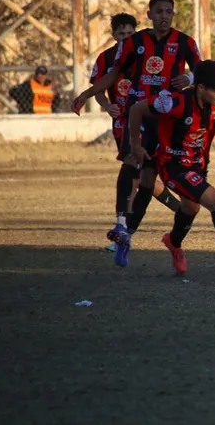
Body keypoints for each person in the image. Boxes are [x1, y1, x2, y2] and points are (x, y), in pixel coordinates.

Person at [72, 0, 199, 266]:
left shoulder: (185, 42)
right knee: (133, 160)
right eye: (159, 11)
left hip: (167, 116)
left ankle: (129, 232)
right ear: (149, 14)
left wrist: (189, 78)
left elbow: (204, 72)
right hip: (139, 112)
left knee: (149, 182)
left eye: (169, 11)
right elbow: (113, 74)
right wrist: (87, 93)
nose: (165, 16)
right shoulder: (134, 42)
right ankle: (121, 224)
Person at [126, 60, 215, 275]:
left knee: (191, 208)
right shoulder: (174, 102)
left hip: (199, 165)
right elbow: (137, 109)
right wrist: (136, 145)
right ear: (201, 88)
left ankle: (173, 242)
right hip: (173, 165)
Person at [89, 13, 180, 253]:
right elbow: (98, 87)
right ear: (114, 36)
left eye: (129, 34)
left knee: (141, 174)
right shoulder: (107, 59)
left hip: (149, 120)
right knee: (139, 174)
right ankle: (128, 229)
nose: (125, 38)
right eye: (121, 34)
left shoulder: (146, 55)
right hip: (122, 123)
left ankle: (124, 230)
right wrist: (106, 105)